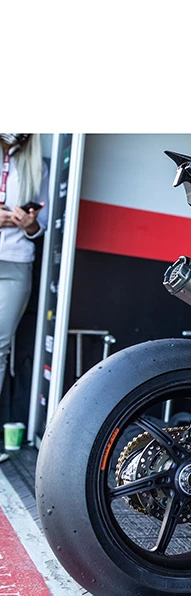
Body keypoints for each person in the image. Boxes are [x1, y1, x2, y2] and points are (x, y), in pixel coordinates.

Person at [0, 134, 49, 463]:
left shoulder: (36, 166)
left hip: (16, 263)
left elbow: (40, 227)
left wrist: (29, 224)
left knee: (0, 347)